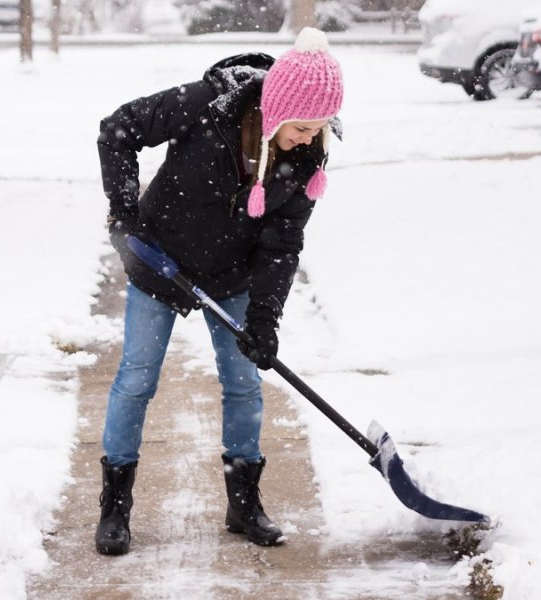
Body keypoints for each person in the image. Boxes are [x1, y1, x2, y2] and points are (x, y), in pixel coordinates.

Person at [94, 27, 344, 556]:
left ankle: (244, 503)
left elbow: (283, 245)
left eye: (319, 130)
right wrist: (123, 211)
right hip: (159, 261)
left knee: (243, 382)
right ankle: (115, 507)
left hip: (233, 276)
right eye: (301, 127)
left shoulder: (306, 159)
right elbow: (118, 129)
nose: (308, 138)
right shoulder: (205, 106)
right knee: (137, 380)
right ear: (276, 111)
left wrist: (265, 320)